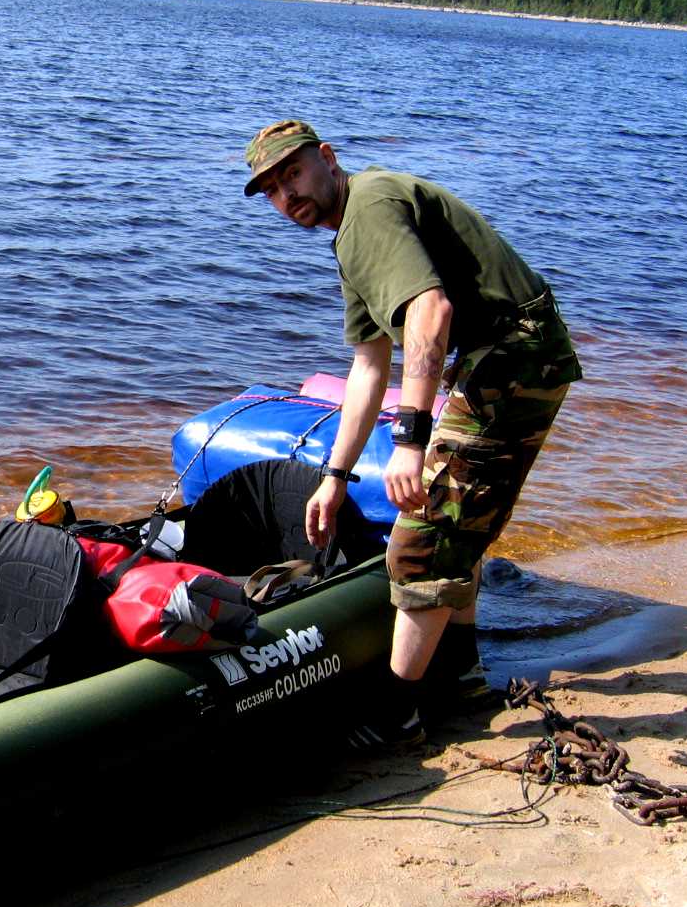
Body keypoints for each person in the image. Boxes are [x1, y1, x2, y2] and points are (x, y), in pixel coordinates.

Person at [241, 119, 582, 747]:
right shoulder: (350, 235)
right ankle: (462, 678)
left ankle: (398, 714)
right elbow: (369, 364)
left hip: (511, 358)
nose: (287, 196)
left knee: (421, 540)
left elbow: (431, 312)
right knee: (460, 525)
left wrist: (411, 439)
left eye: (292, 174)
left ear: (327, 157)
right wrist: (334, 478)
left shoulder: (368, 206)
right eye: (271, 189)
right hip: (510, 356)